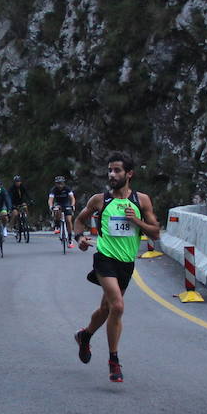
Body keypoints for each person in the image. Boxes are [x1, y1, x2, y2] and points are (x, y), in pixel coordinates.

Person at [72, 153, 161, 384]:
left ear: (129, 174)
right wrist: (80, 237)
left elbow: (155, 233)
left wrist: (137, 221)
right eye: (110, 170)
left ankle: (85, 335)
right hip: (105, 258)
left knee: (106, 309)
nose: (112, 174)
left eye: (117, 170)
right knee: (118, 307)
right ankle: (114, 360)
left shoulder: (141, 201)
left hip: (126, 263)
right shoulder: (100, 200)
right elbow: (79, 220)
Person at [48, 176, 76, 242]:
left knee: (68, 220)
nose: (60, 185)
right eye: (58, 183)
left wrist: (72, 205)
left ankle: (69, 238)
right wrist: (51, 206)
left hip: (66, 204)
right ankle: (57, 225)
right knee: (57, 210)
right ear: (55, 184)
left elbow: (72, 198)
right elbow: (50, 200)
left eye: (61, 183)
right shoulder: (53, 190)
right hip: (58, 204)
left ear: (64, 183)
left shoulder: (67, 189)